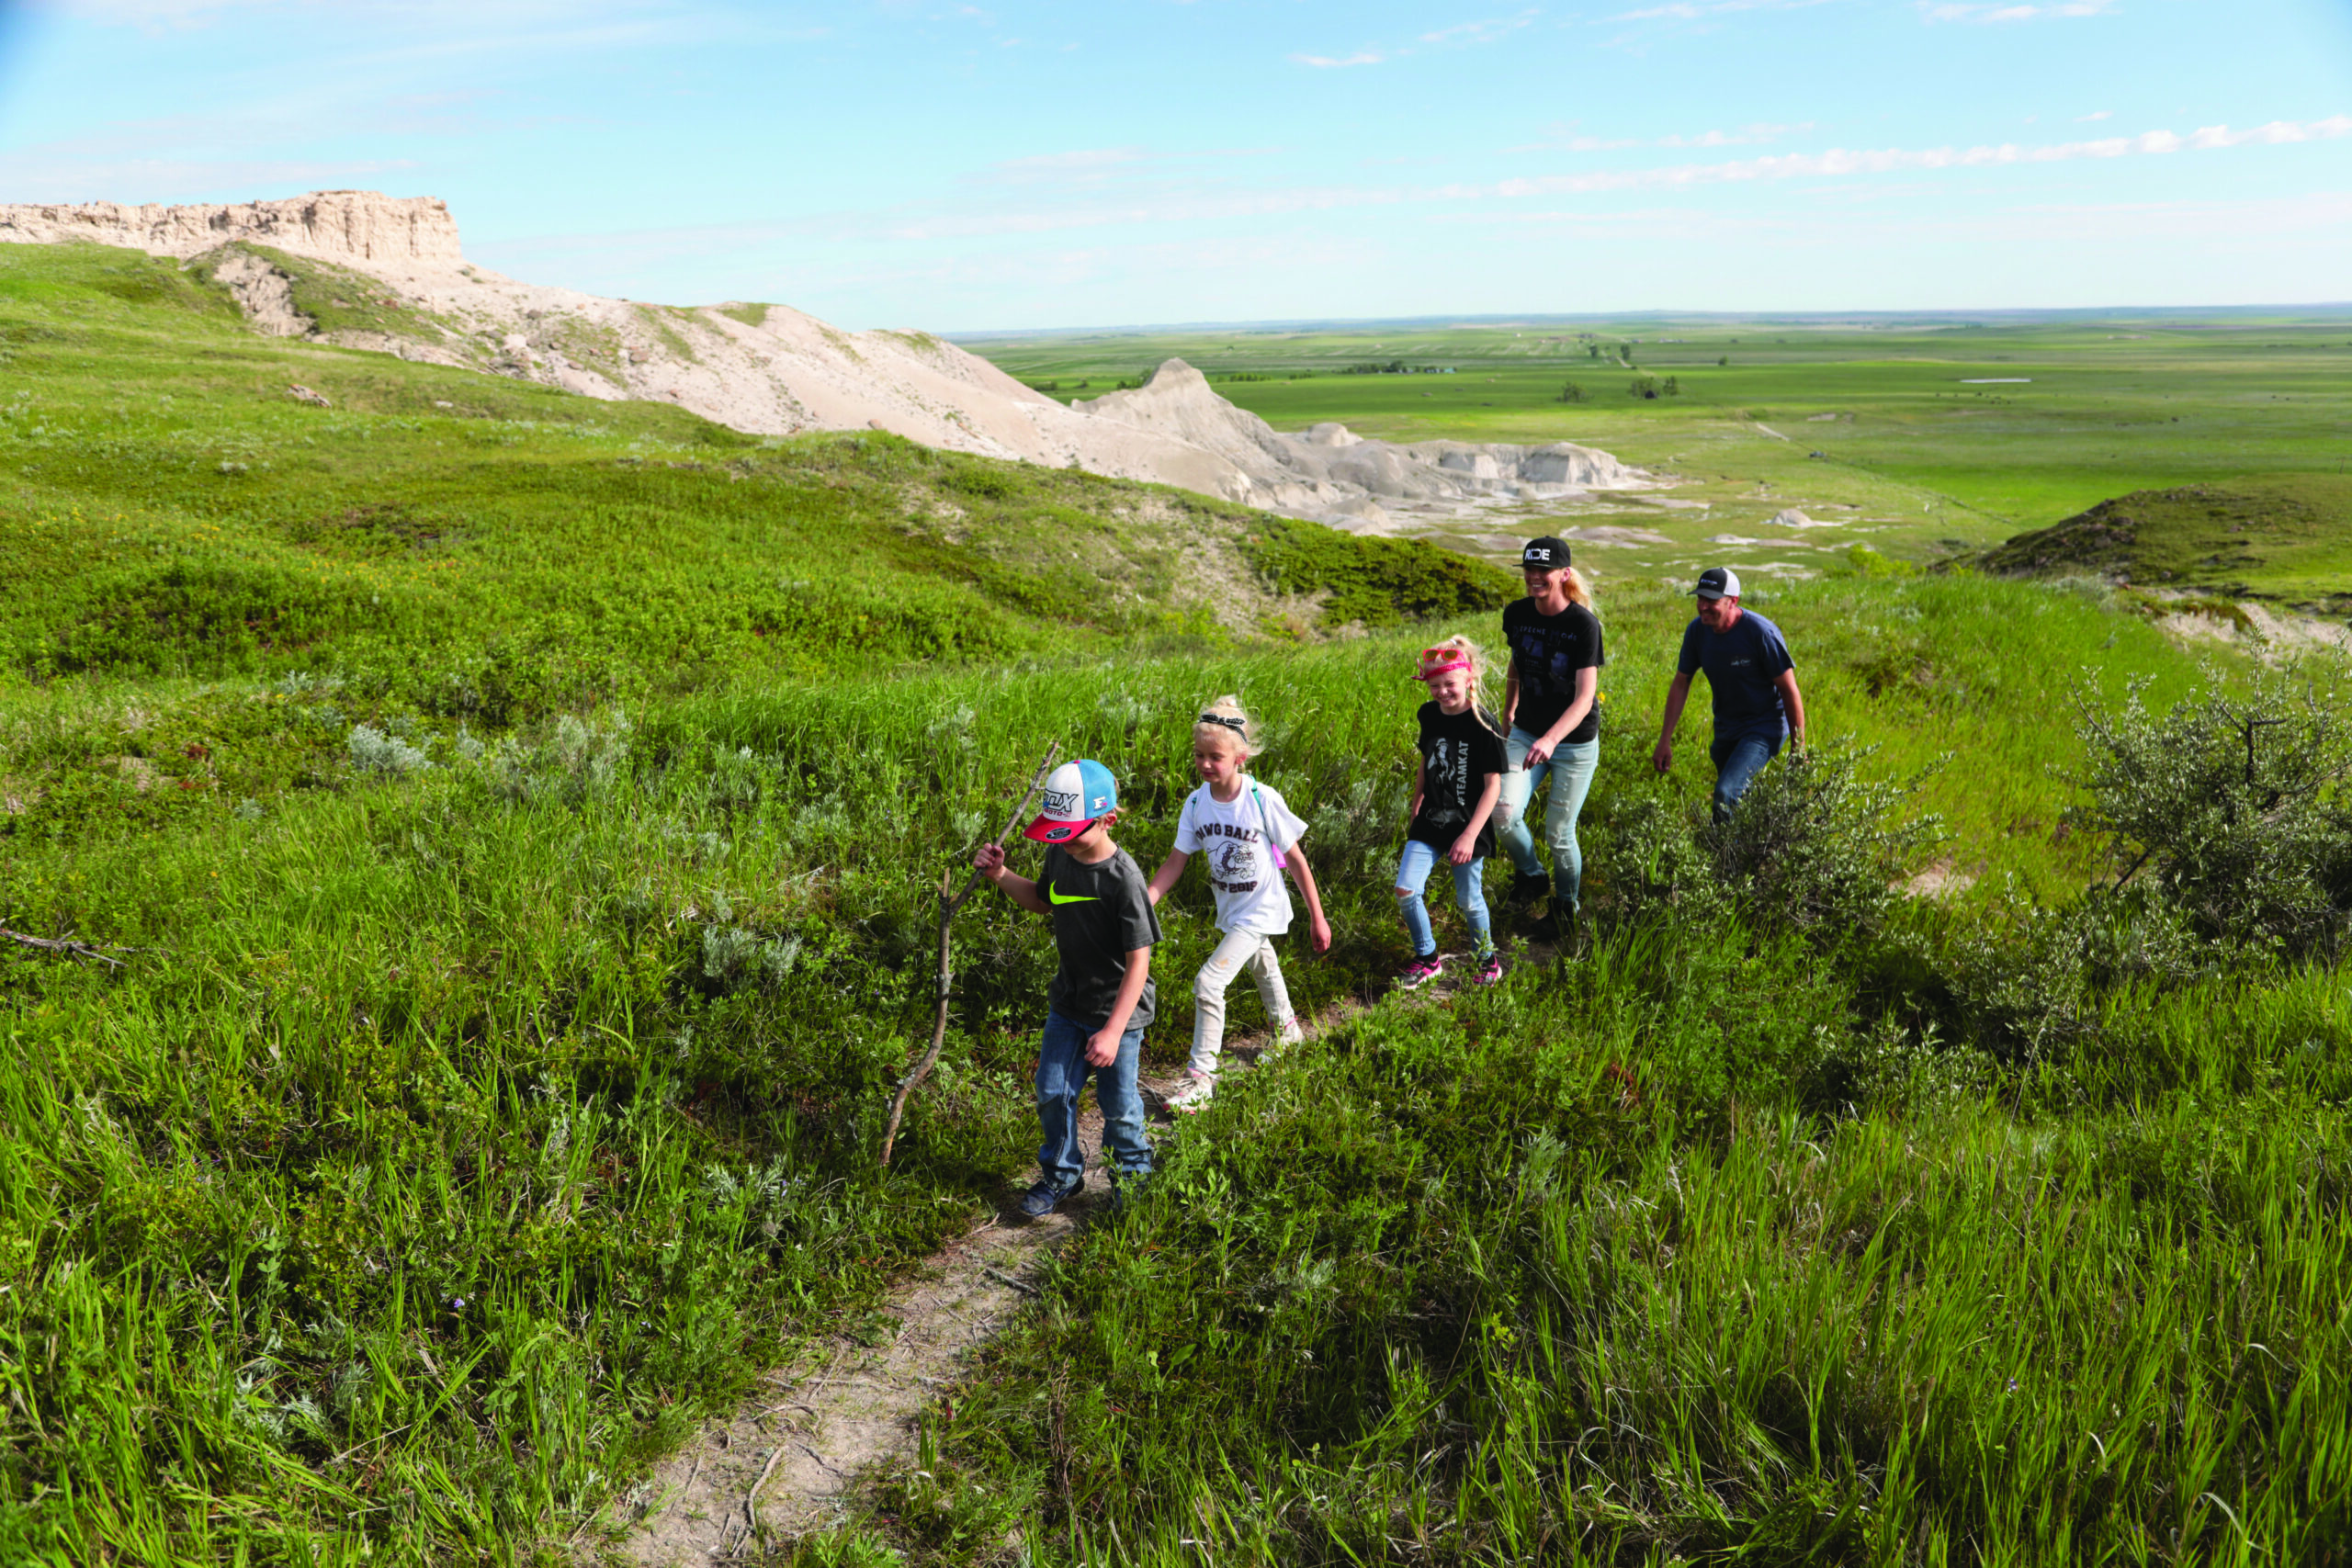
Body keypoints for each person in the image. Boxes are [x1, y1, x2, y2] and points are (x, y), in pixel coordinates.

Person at [974, 758, 1159, 1217]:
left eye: (1072, 832)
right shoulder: (1060, 851)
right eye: (1057, 831)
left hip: (1118, 1012)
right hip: (1069, 1004)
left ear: (1107, 820)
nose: (1064, 842)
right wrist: (999, 876)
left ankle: (1132, 1180)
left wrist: (1114, 1031)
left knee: (1118, 1107)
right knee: (1053, 1091)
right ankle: (1062, 1176)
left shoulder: (1125, 880)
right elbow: (1041, 900)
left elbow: (1139, 961)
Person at [1146, 696, 1333, 1113]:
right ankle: (1287, 1030)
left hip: (1261, 907)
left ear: (1240, 758)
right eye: (1199, 755)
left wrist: (1318, 918)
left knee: (1209, 983)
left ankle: (1200, 1078)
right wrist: (1147, 901)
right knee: (1262, 961)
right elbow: (1176, 861)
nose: (1206, 764)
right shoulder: (1195, 804)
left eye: (1216, 756)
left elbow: (1297, 861)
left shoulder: (1262, 798)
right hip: (1231, 908)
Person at [1494, 536, 1605, 937]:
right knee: (1503, 812)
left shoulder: (1583, 626)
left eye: (1543, 571)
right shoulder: (1517, 614)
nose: (1535, 578)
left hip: (1573, 743)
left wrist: (1552, 739)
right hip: (1526, 731)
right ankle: (1532, 876)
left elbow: (1585, 697)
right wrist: (1509, 709)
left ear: (1564, 574)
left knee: (1559, 833)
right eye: (1529, 570)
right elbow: (1517, 660)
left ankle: (1565, 908)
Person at [1395, 637, 1510, 988]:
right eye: (1435, 686)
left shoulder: (1484, 725)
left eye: (1449, 684)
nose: (1443, 692)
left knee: (1468, 898)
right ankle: (1428, 959)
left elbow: (1493, 786)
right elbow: (1425, 759)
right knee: (1405, 889)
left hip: (1467, 825)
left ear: (1468, 679)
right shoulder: (1428, 714)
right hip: (1430, 818)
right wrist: (1417, 798)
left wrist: (1471, 835)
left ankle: (1486, 960)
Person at [1652, 567, 1808, 822]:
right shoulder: (1697, 632)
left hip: (1764, 727)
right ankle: (1756, 847)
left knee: (1726, 793)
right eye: (1699, 599)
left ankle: (1726, 860)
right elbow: (1681, 683)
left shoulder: (1761, 633)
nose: (1702, 606)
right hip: (1726, 728)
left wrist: (1798, 749)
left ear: (1733, 601)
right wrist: (1664, 740)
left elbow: (1790, 691)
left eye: (1711, 601)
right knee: (1738, 797)